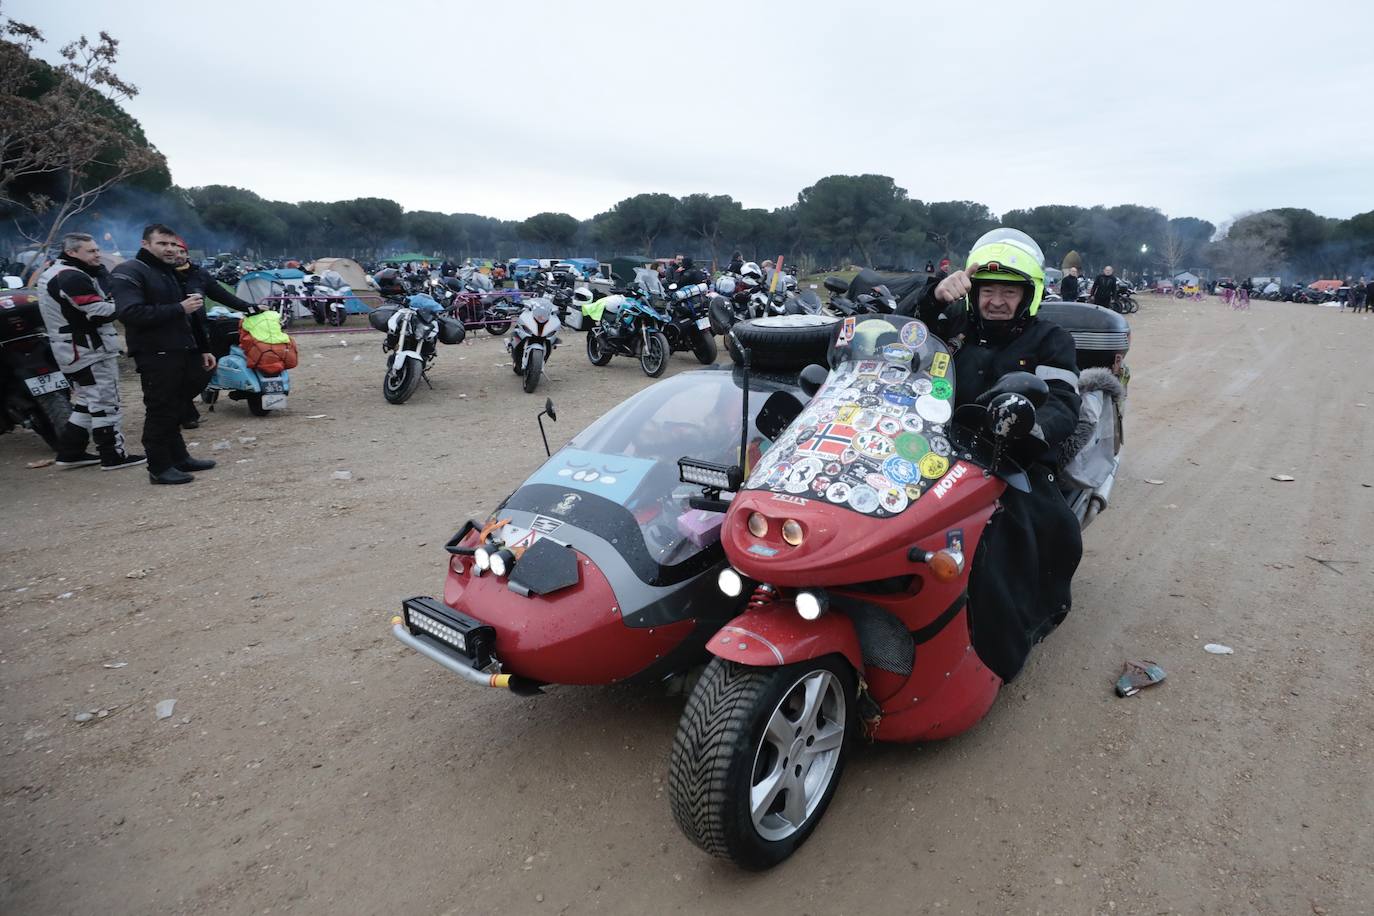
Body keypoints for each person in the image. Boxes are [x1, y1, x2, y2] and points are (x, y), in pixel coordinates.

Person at [912, 227, 1083, 682]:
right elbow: (902, 333)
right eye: (989, 291)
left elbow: (1064, 402)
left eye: (1010, 292)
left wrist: (1028, 430)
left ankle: (1012, 633)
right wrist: (932, 299)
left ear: (1027, 296)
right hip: (937, 444)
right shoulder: (955, 325)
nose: (998, 301)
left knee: (1029, 529)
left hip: (1013, 454)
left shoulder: (1051, 339)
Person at [109, 224, 218, 485]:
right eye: (162, 244)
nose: (170, 249)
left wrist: (203, 348)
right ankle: (158, 466)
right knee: (160, 408)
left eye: (173, 245)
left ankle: (179, 457)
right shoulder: (130, 271)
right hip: (154, 350)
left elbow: (191, 315)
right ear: (146, 244)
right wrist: (178, 307)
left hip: (182, 349)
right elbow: (130, 313)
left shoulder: (168, 273)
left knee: (177, 405)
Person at [35, 233, 146, 470]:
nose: (97, 254)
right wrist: (127, 307)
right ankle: (113, 456)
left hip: (73, 348)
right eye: (91, 251)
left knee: (87, 401)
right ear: (73, 252)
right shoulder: (71, 276)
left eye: (97, 249)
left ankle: (70, 453)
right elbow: (96, 310)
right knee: (106, 402)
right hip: (88, 349)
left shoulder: (55, 271)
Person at [170, 238, 258, 428]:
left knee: (201, 373)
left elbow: (222, 295)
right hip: (170, 331)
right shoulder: (161, 274)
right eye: (173, 251)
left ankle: (183, 407)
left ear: (187, 254)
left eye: (181, 252)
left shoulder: (199, 274)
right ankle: (185, 414)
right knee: (175, 375)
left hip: (198, 331)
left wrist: (251, 308)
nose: (177, 255)